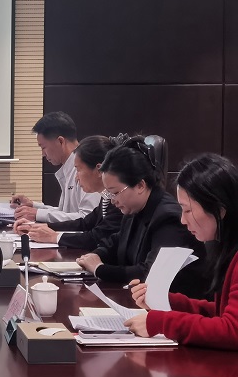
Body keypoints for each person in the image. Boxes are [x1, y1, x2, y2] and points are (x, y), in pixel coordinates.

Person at [125, 154, 238, 349]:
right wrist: (167, 302)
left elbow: (232, 330)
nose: (183, 220)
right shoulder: (226, 247)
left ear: (220, 210)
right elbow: (221, 312)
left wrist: (161, 322)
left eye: (187, 210)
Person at [76, 136, 207, 298]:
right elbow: (117, 241)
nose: (112, 200)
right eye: (109, 193)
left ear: (140, 185)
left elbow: (151, 272)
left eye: (115, 192)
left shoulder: (168, 218)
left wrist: (100, 269)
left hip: (177, 304)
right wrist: (97, 254)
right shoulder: (134, 208)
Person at [13, 135, 123, 250]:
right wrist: (38, 227)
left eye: (79, 170)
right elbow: (83, 223)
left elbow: (96, 237)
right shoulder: (106, 198)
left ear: (99, 170)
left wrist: (54, 237)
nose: (76, 177)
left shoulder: (119, 202)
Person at [10, 111, 100, 223]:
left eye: (43, 147)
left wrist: (37, 214)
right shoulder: (68, 168)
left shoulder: (87, 166)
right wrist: (34, 206)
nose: (43, 154)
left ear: (60, 141)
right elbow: (66, 212)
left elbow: (88, 217)